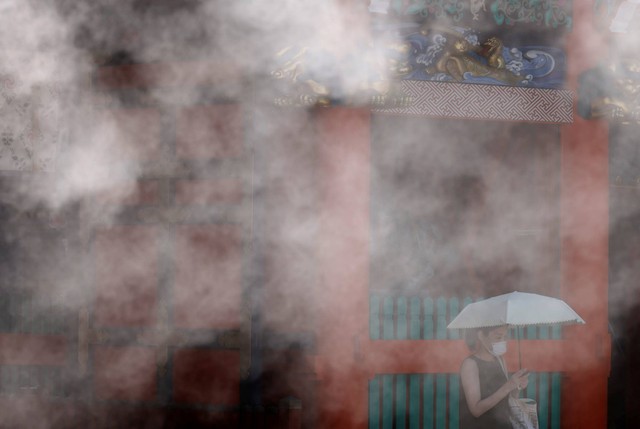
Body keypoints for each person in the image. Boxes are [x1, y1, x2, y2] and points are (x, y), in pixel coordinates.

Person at [459, 325, 529, 429]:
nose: (503, 341)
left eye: (505, 337)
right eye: (498, 337)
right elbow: (476, 410)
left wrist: (517, 387)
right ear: (481, 335)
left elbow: (508, 399)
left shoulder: (501, 360)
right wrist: (508, 386)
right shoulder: (470, 364)